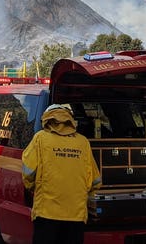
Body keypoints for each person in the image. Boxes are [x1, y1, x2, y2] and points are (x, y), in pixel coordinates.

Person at [21, 103, 101, 244]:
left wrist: (33, 188)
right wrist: (89, 201)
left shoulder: (40, 139)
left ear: (46, 119)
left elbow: (28, 172)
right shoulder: (83, 143)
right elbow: (94, 179)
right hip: (76, 215)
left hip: (46, 213)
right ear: (69, 119)